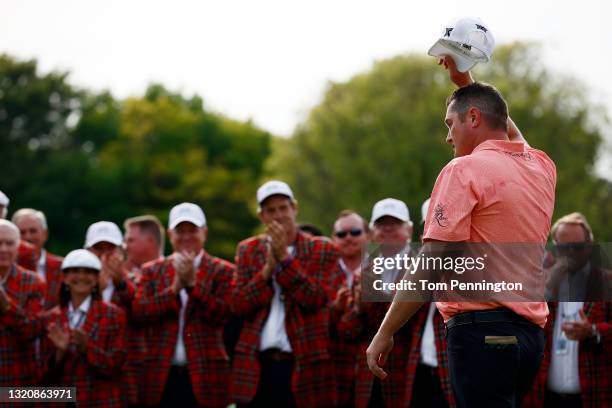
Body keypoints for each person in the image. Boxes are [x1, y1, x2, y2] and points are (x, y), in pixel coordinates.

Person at [366, 56, 557, 408]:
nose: (447, 135)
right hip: (530, 340)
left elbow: (432, 262)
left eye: (450, 123)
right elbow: (507, 130)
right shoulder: (542, 167)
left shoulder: (463, 169)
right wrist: (466, 82)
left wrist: (385, 331)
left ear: (473, 118)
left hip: (482, 332)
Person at [230, 180, 342, 407]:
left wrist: (284, 260)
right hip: (258, 365)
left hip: (303, 362)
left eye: (283, 208)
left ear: (295, 209)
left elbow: (315, 298)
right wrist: (267, 270)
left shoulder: (321, 247)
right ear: (261, 216)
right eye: (270, 210)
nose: (278, 215)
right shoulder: (248, 249)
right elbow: (239, 305)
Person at [132, 202, 234, 407]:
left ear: (204, 232)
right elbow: (140, 313)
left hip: (206, 377)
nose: (186, 236)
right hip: (161, 377)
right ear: (170, 235)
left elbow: (224, 315)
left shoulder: (223, 271)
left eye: (192, 230)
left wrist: (193, 286)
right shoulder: (152, 271)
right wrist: (175, 289)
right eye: (180, 231)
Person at [524, 213, 611, 408]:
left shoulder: (606, 282)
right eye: (563, 247)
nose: (570, 252)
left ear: (589, 247)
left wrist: (594, 331)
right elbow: (523, 326)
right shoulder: (541, 283)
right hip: (546, 396)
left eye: (577, 247)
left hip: (593, 395)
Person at [43, 249, 127, 407]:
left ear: (96, 279)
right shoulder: (51, 318)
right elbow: (43, 374)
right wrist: (60, 353)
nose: (81, 277)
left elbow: (117, 365)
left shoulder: (114, 315)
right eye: (75, 271)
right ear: (65, 278)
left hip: (99, 399)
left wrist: (86, 348)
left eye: (88, 272)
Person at [122, 214, 165, 406]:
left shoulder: (174, 272)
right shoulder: (121, 275)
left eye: (130, 240)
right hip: (130, 375)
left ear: (150, 241)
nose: (125, 246)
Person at [330, 210, 370, 407]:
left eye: (355, 232)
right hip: (333, 371)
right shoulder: (324, 270)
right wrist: (335, 309)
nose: (348, 238)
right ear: (333, 238)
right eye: (341, 234)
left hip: (373, 370)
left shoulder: (383, 269)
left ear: (368, 235)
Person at [0, 219, 45, 387]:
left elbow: (32, 330)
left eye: (9, 243)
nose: (3, 249)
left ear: (18, 247)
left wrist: (6, 306)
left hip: (19, 381)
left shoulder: (32, 282)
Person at [12, 208, 64, 309]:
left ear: (45, 234)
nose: (28, 237)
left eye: (33, 231)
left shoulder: (63, 267)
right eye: (22, 232)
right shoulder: (6, 268)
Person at [85, 221, 134, 309]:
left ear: (121, 250)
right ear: (88, 251)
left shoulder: (136, 280)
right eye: (98, 248)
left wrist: (120, 283)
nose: (104, 253)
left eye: (110, 247)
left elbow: (139, 312)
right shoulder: (76, 282)